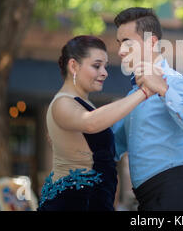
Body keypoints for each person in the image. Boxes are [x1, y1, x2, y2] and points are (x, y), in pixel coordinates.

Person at [37, 35, 155, 211]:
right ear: (74, 66)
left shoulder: (84, 105)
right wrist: (144, 92)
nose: (105, 73)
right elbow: (91, 123)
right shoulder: (63, 102)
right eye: (96, 65)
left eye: (105, 67)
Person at [112, 7, 183, 211]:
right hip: (149, 201)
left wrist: (164, 89)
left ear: (151, 42)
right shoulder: (133, 95)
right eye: (119, 43)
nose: (120, 51)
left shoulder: (175, 83)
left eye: (127, 42)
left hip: (178, 200)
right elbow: (113, 146)